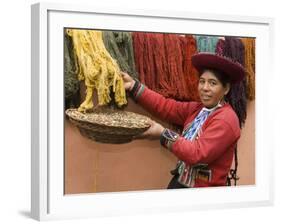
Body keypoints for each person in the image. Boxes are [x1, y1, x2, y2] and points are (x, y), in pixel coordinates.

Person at [121, 52, 246, 189]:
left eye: (212, 83)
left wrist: (163, 134)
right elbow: (165, 106)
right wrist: (133, 86)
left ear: (226, 89)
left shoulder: (226, 119)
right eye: (202, 81)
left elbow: (197, 154)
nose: (205, 88)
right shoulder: (197, 109)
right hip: (181, 181)